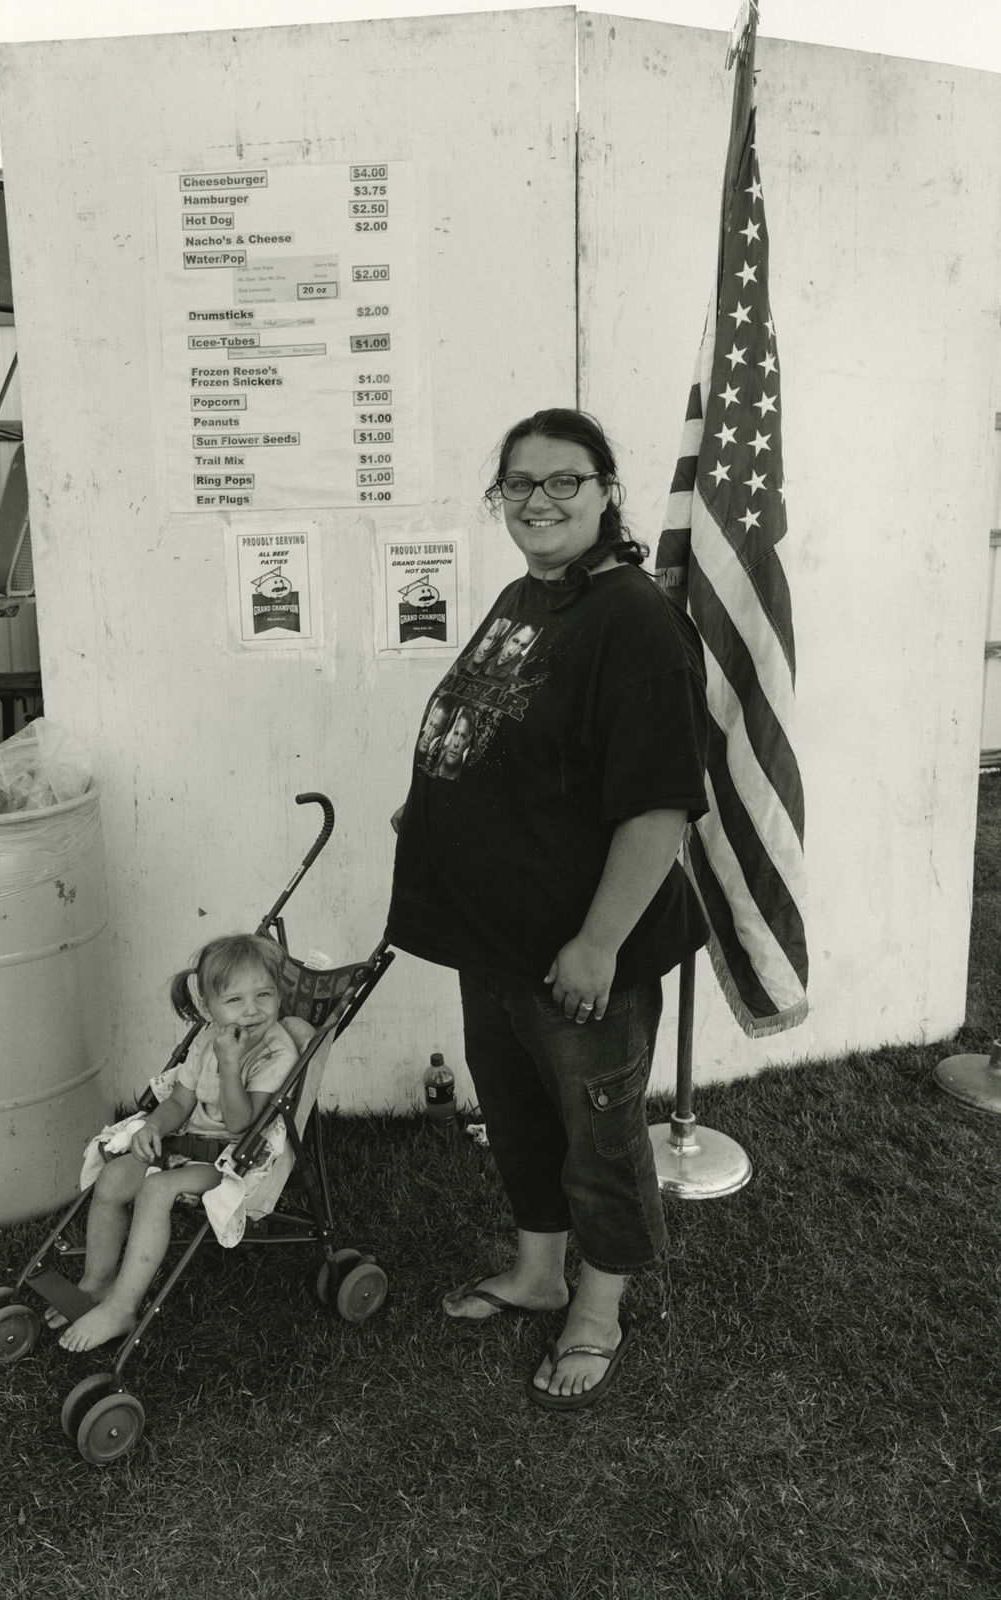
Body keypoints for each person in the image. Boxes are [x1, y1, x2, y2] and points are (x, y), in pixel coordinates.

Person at [387, 408, 710, 1411]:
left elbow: (656, 807)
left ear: (607, 488)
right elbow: (498, 727)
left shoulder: (635, 620)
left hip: (576, 948)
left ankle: (598, 1304)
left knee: (598, 1130)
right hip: (493, 936)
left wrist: (598, 942)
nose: (537, 501)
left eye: (562, 481)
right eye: (517, 485)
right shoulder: (532, 596)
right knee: (519, 1114)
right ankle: (536, 1270)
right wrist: (434, 802)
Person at [56, 932, 299, 1353]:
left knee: (156, 1189)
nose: (253, 1009)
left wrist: (229, 1064)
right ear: (209, 1007)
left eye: (264, 994)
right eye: (235, 1000)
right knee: (113, 1179)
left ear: (279, 996)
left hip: (232, 1160)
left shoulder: (276, 1053)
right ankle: (96, 1282)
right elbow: (182, 1101)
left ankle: (122, 1306)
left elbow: (243, 1125)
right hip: (187, 1143)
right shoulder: (209, 1037)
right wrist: (153, 1126)